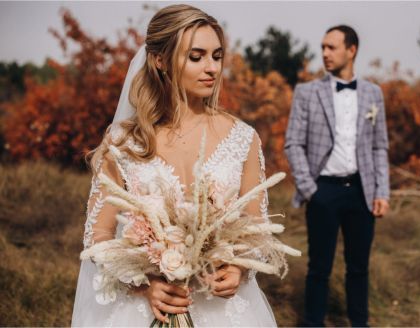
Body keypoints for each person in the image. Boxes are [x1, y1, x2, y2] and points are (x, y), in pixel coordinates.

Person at [71, 5, 276, 327]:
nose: (211, 68)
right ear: (160, 60)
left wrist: (241, 268)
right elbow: (97, 234)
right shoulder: (124, 142)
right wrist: (142, 285)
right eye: (196, 57)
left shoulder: (244, 138)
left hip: (224, 311)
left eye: (217, 56)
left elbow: (259, 229)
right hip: (143, 310)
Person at [284, 25, 390, 327]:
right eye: (323, 47)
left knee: (359, 267)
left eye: (332, 47)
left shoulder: (373, 93)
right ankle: (313, 323)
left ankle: (359, 323)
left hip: (361, 190)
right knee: (319, 268)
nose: (325, 54)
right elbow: (293, 143)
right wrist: (309, 188)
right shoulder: (307, 93)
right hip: (323, 190)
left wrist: (382, 191)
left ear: (351, 50)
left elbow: (379, 146)